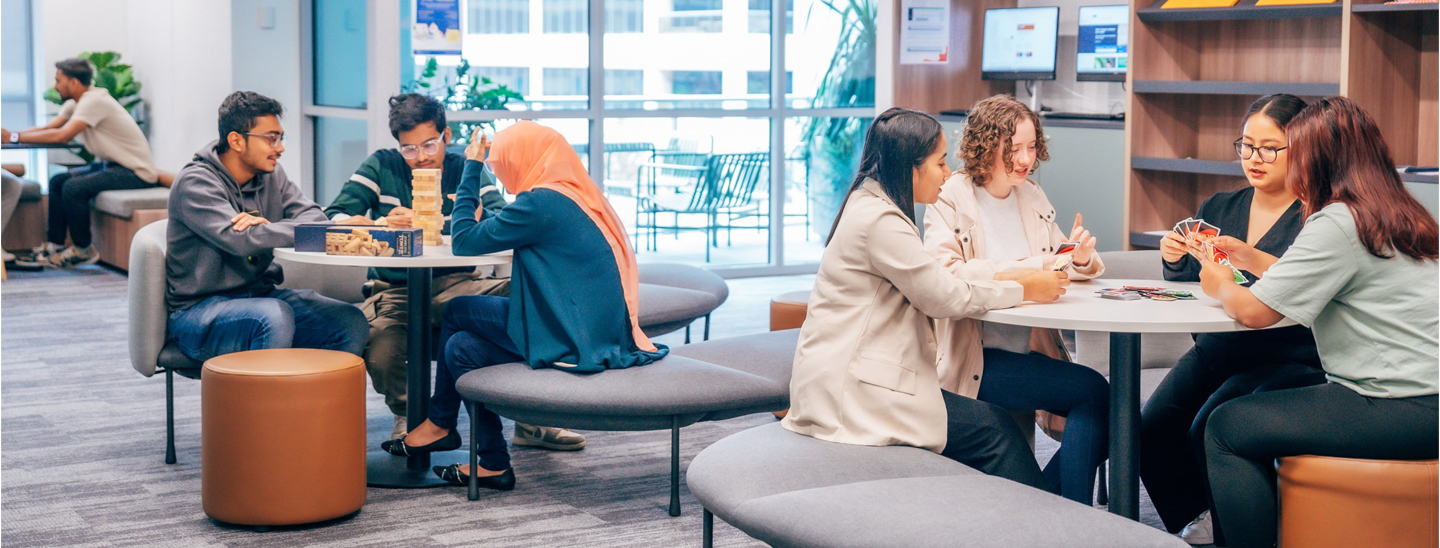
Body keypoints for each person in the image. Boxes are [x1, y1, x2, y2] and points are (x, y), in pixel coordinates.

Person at [782, 107, 1071, 493]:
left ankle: (1035, 521)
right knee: (995, 429)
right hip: (852, 394)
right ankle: (1054, 525)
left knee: (993, 425)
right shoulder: (881, 222)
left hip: (849, 380)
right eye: (939, 162)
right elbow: (943, 295)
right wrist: (1026, 288)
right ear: (911, 168)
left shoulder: (869, 204)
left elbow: (940, 283)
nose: (947, 172)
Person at [1198, 96, 1438, 548]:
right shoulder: (1397, 210)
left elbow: (1253, 311)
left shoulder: (1337, 221)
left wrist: (1219, 283)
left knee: (1226, 427)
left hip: (1397, 404)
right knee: (1262, 399)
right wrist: (1251, 258)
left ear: (1318, 161)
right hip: (1430, 397)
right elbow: (1323, 277)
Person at [380, 122, 668, 490]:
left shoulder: (540, 203)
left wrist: (472, 165)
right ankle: (493, 464)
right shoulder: (572, 193)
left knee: (455, 311)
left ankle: (440, 424)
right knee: (460, 347)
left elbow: (464, 241)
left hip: (570, 334)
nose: (500, 173)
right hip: (584, 325)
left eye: (501, 164)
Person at [323, 94, 583, 448]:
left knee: (528, 295)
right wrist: (380, 223)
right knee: (382, 346)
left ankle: (530, 415)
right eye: (409, 149)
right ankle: (410, 417)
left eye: (429, 144)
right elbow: (333, 216)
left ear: (445, 136)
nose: (422, 157)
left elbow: (505, 219)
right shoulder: (382, 166)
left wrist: (480, 219)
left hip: (458, 284)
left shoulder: (465, 169)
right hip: (395, 290)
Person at [1141, 94, 1325, 545]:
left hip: (1288, 355)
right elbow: (1193, 283)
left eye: (1268, 148)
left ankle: (1233, 528)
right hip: (1218, 348)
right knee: (1151, 431)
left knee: (1211, 426)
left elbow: (1286, 298)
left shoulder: (1316, 219)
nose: (1253, 159)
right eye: (1245, 146)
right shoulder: (1220, 206)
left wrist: (1227, 279)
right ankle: (1198, 521)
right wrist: (1172, 259)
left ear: (1300, 148)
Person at [922, 94, 1110, 505]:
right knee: (1095, 394)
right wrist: (1030, 268)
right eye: (1013, 149)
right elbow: (946, 272)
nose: (1025, 159)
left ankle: (1053, 509)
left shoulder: (1032, 196)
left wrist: (1077, 257)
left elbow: (1059, 260)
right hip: (973, 356)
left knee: (1105, 405)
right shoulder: (951, 195)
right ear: (987, 146)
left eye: (1031, 147)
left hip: (1025, 349)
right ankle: (1073, 518)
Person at [165, 91, 367, 363]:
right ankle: (267, 406)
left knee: (349, 321)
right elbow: (242, 241)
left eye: (280, 138)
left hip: (261, 294)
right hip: (199, 311)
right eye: (271, 138)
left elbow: (316, 220)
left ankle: (314, 405)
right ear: (236, 140)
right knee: (272, 317)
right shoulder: (196, 183)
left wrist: (268, 228)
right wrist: (263, 232)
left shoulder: (271, 174)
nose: (280, 148)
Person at [2, 58, 161, 269]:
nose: (55, 86)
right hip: (112, 166)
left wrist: (13, 137)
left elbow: (62, 136)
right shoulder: (76, 103)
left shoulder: (94, 101)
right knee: (58, 180)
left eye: (59, 81)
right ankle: (54, 246)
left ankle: (84, 250)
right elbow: (49, 128)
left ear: (74, 82)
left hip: (135, 172)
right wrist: (12, 135)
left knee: (73, 188)